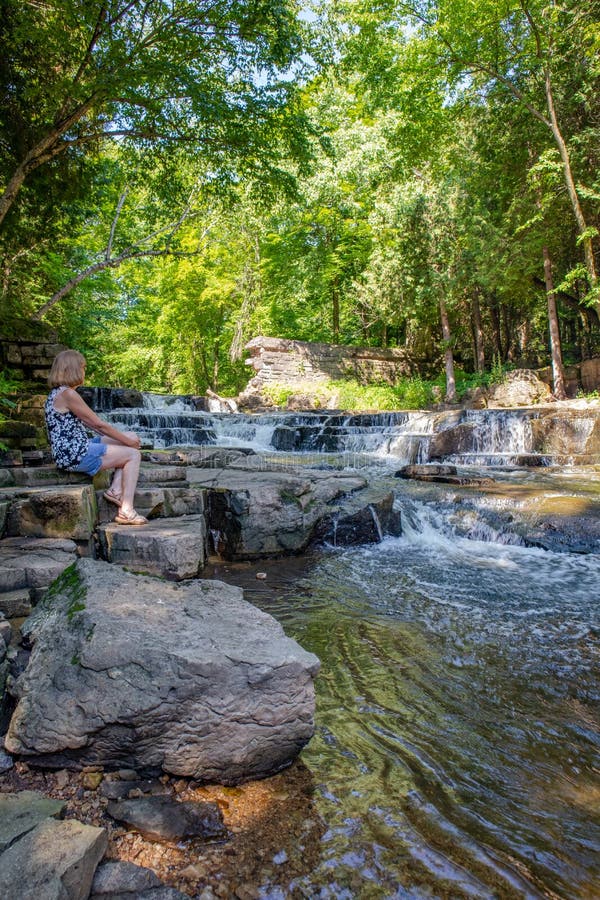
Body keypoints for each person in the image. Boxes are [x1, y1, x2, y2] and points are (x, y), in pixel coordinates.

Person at [45, 349, 148, 525]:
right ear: (74, 369)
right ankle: (126, 511)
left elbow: (93, 425)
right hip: (73, 454)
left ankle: (116, 489)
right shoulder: (68, 394)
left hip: (77, 446)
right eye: (83, 367)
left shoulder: (58, 393)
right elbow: (99, 424)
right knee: (133, 454)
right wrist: (128, 443)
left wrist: (126, 439)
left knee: (129, 436)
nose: (84, 372)